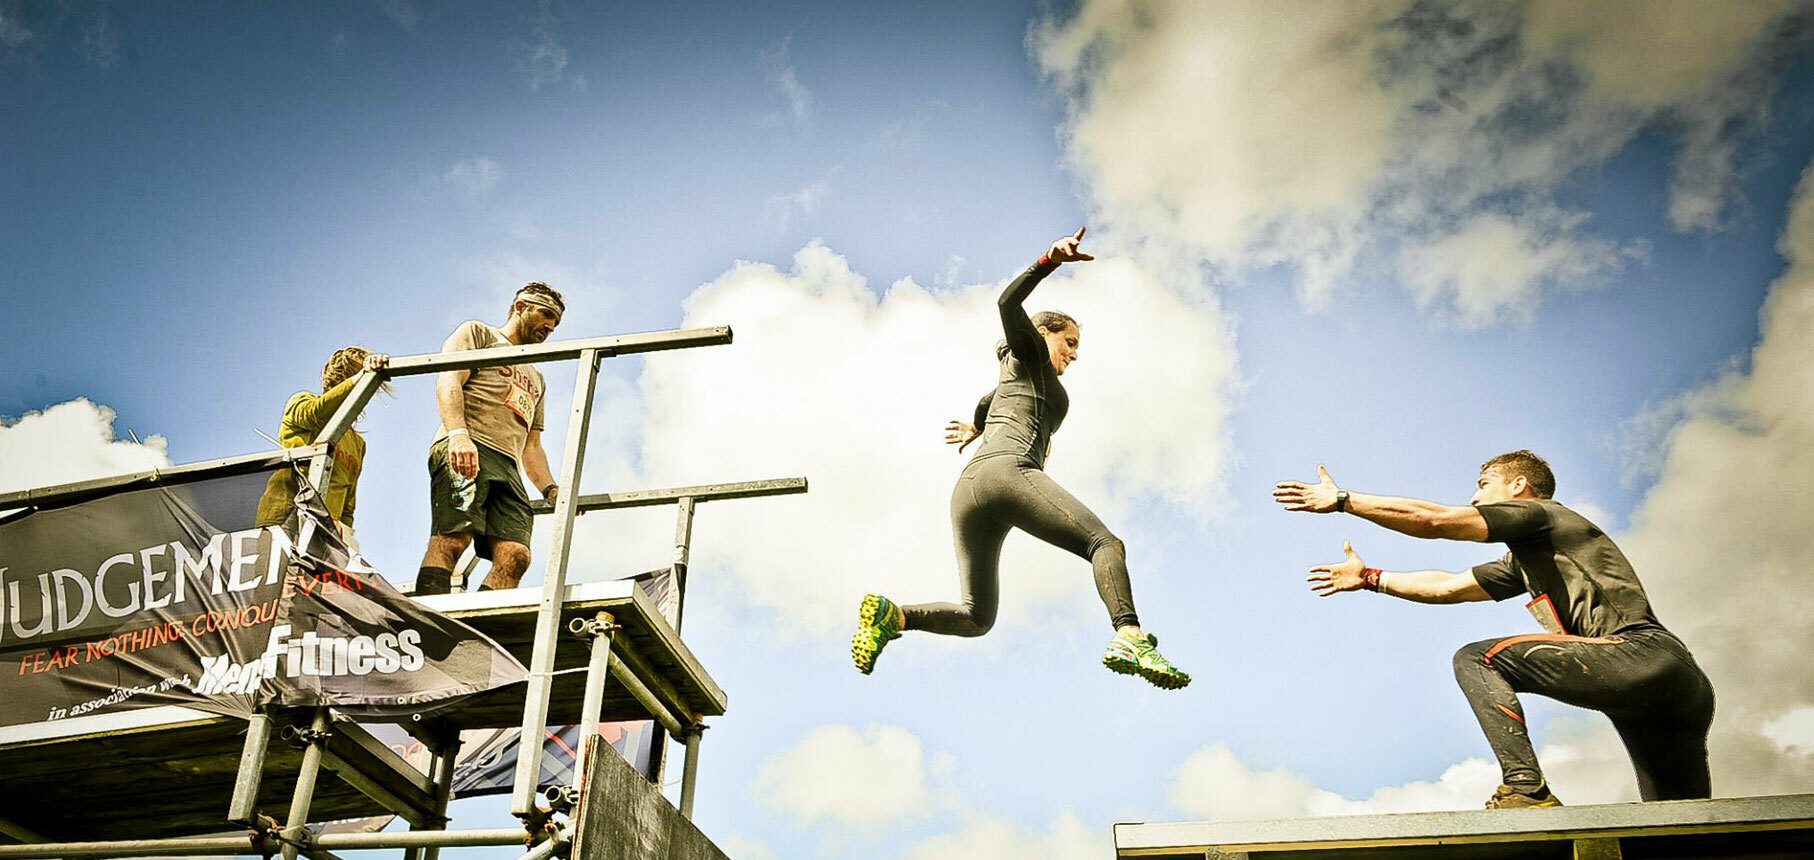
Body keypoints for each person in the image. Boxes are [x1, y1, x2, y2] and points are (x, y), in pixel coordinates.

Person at [1273, 451, 1715, 808]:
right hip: (1673, 691)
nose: (1476, 497)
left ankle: (1526, 789)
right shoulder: (1526, 560)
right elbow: (1447, 587)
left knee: (1477, 659)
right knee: (1678, 827)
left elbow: (1435, 521)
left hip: (1640, 653)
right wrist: (1371, 578)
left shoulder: (1542, 516)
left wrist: (1345, 500)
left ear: (1518, 486)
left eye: (1484, 485)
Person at [850, 228, 1190, 689]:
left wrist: (977, 427)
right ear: (1042, 334)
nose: (1073, 354)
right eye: (1068, 342)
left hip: (971, 491)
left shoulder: (1012, 379)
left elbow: (987, 401)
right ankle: (1129, 633)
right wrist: (1049, 260)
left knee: (977, 616)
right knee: (1105, 545)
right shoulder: (1029, 356)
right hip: (1008, 473)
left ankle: (895, 618)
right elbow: (1007, 305)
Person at [414, 282, 565, 595]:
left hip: (508, 464)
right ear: (521, 307)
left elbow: (532, 445)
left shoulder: (537, 377)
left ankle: (477, 629)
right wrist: (458, 435)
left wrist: (550, 488)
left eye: (556, 323)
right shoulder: (479, 334)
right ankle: (429, 620)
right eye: (546, 314)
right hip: (469, 444)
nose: (550, 326)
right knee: (453, 538)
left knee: (516, 555)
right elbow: (449, 381)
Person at [255, 346, 390, 548]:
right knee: (283, 579)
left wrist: (344, 544)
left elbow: (348, 504)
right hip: (284, 521)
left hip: (324, 535)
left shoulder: (357, 444)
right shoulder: (301, 401)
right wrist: (360, 377)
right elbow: (316, 414)